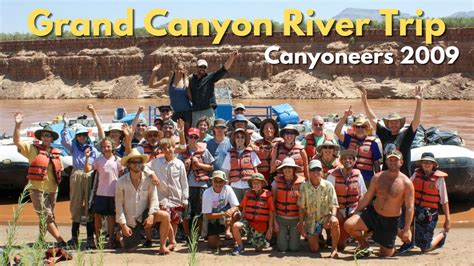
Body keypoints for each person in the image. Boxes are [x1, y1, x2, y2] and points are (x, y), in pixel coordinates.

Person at [344, 150, 414, 258]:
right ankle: (364, 245)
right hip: (373, 214)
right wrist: (357, 212)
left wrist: (406, 229)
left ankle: (391, 235)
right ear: (386, 161)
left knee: (386, 255)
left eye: (396, 160)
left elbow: (409, 207)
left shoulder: (406, 183)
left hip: (390, 220)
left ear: (401, 162)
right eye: (390, 160)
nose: (393, 162)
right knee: (349, 225)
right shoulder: (377, 177)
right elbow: (368, 196)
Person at [13, 113, 67, 248]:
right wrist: (18, 125)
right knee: (47, 216)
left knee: (47, 217)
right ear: (41, 137)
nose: (47, 137)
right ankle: (61, 241)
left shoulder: (56, 152)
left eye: (49, 135)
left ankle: (41, 241)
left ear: (52, 138)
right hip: (37, 189)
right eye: (44, 135)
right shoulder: (32, 149)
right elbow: (16, 141)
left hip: (53, 190)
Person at [115, 149, 172, 254]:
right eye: (133, 162)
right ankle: (120, 235)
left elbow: (154, 199)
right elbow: (119, 206)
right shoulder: (121, 182)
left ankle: (162, 247)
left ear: (142, 164)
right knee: (130, 250)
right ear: (128, 164)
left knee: (165, 216)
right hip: (130, 219)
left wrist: (151, 215)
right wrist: (123, 225)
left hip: (144, 215)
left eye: (139, 162)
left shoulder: (149, 180)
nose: (137, 164)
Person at [359, 85, 423, 175]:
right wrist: (365, 102)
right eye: (391, 122)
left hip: (403, 176)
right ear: (387, 124)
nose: (393, 124)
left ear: (400, 124)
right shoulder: (384, 134)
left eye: (396, 122)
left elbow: (416, 121)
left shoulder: (406, 135)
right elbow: (372, 119)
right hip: (386, 175)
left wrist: (419, 102)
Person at [399, 152, 450, 253]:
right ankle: (409, 242)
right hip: (415, 207)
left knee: (425, 248)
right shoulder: (416, 174)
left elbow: (444, 201)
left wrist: (448, 220)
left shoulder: (439, 180)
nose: (427, 164)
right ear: (421, 164)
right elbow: (407, 189)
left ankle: (442, 235)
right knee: (398, 222)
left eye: (429, 162)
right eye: (424, 162)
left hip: (428, 212)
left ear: (434, 164)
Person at [61, 122, 99, 249]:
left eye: (83, 135)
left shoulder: (93, 149)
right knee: (76, 204)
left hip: (89, 175)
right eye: (79, 135)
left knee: (89, 205)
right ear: (76, 137)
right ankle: (74, 238)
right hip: (76, 174)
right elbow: (64, 142)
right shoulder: (74, 146)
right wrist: (65, 127)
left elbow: (97, 162)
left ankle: (90, 238)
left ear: (87, 136)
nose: (82, 137)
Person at [148, 138, 189, 251]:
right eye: (164, 148)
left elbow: (184, 182)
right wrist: (152, 175)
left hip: (176, 197)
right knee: (165, 217)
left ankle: (171, 240)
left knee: (174, 221)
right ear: (161, 150)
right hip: (162, 197)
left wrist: (185, 198)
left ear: (174, 147)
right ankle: (171, 241)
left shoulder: (179, 164)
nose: (168, 150)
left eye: (169, 147)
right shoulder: (156, 162)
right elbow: (145, 168)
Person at [84, 138, 123, 249]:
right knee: (97, 217)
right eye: (104, 147)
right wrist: (87, 157)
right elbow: (87, 170)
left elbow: (121, 174)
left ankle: (111, 239)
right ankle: (98, 239)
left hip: (113, 194)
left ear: (112, 147)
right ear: (101, 148)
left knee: (111, 218)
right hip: (100, 193)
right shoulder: (98, 160)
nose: (106, 148)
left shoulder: (118, 160)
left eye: (108, 146)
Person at [297, 160, 340, 258]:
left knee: (335, 222)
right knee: (314, 249)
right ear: (309, 171)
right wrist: (302, 224)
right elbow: (301, 207)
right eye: (313, 169)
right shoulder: (304, 186)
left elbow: (334, 204)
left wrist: (333, 216)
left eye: (318, 169)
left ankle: (334, 249)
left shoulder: (328, 185)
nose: (316, 171)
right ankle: (318, 238)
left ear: (322, 171)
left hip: (325, 218)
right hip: (311, 220)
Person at [178, 128, 214, 240]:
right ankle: (187, 235)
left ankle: (196, 235)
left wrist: (199, 165)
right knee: (186, 213)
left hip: (201, 186)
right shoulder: (182, 152)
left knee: (199, 212)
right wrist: (185, 165)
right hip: (186, 186)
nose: (193, 139)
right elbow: (177, 168)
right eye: (191, 136)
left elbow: (211, 167)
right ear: (187, 137)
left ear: (198, 139)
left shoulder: (204, 151)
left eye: (195, 137)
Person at [327, 149, 367, 251]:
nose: (347, 160)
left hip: (354, 209)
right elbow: (327, 196)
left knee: (363, 221)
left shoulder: (358, 175)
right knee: (341, 247)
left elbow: (362, 195)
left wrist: (357, 211)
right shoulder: (333, 175)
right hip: (338, 210)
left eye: (350, 158)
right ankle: (336, 237)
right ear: (341, 161)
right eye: (344, 158)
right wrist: (335, 212)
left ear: (354, 161)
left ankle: (363, 243)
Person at [188, 50, 239, 126]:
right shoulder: (191, 79)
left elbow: (223, 70)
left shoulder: (210, 78)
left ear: (206, 68)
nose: (202, 68)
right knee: (195, 131)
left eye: (204, 67)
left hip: (208, 110)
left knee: (209, 130)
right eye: (200, 67)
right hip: (196, 111)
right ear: (196, 67)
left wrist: (231, 58)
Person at [335, 111, 382, 185]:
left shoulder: (373, 143)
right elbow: (337, 132)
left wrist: (378, 180)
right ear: (354, 128)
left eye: (363, 126)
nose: (360, 129)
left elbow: (376, 163)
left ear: (366, 128)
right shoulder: (349, 139)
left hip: (367, 179)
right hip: (350, 177)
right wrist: (345, 116)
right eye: (357, 126)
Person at [231, 173, 274, 255]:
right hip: (248, 221)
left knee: (258, 249)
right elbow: (243, 209)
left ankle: (258, 240)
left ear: (262, 184)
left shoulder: (268, 196)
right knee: (236, 226)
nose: (256, 185)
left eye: (258, 183)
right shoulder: (248, 194)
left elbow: (271, 212)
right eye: (254, 183)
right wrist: (241, 222)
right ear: (251, 184)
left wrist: (270, 229)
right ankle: (240, 246)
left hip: (260, 225)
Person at [272, 157, 305, 253]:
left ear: (294, 169)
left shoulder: (301, 183)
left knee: (294, 248)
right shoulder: (276, 182)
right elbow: (272, 204)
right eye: (285, 167)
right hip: (280, 219)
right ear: (282, 170)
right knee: (282, 248)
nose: (287, 169)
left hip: (295, 219)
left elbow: (302, 205)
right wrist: (274, 221)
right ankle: (281, 240)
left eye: (290, 167)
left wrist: (301, 221)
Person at [201, 171, 240, 249]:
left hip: (226, 215)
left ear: (225, 182)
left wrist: (230, 212)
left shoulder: (228, 189)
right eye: (216, 181)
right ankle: (222, 239)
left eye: (221, 181)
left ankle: (234, 239)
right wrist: (224, 214)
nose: (218, 184)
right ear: (212, 181)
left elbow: (236, 206)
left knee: (236, 214)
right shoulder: (207, 193)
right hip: (213, 218)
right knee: (212, 245)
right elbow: (208, 215)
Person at [149, 63, 192, 130]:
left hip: (187, 111)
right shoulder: (169, 80)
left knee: (186, 132)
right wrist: (154, 71)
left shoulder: (187, 81)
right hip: (174, 112)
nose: (178, 71)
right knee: (174, 131)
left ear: (184, 70)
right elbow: (151, 85)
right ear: (174, 69)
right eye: (177, 69)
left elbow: (191, 97)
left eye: (180, 69)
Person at [221, 128, 261, 202]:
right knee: (236, 208)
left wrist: (257, 185)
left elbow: (256, 171)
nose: (240, 139)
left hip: (248, 185)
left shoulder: (251, 153)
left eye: (242, 137)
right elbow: (226, 171)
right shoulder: (230, 154)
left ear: (245, 139)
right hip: (234, 186)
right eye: (237, 137)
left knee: (249, 207)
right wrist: (226, 186)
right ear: (234, 139)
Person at [253, 118, 282, 186]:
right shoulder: (257, 143)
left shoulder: (281, 142)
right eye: (266, 128)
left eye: (271, 128)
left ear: (274, 130)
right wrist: (252, 146)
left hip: (277, 174)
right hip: (262, 175)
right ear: (262, 130)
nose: (269, 130)